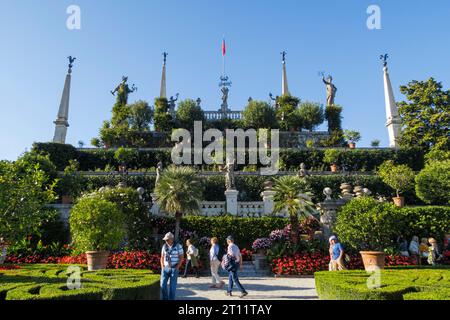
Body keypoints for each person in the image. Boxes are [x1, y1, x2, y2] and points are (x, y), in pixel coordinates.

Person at [160, 232, 184, 300]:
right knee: (162, 285)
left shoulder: (178, 246)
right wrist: (162, 267)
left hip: (174, 268)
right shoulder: (164, 246)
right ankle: (165, 298)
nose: (166, 241)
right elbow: (162, 257)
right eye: (165, 240)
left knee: (172, 287)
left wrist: (177, 267)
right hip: (165, 268)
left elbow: (181, 257)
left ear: (172, 239)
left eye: (167, 239)